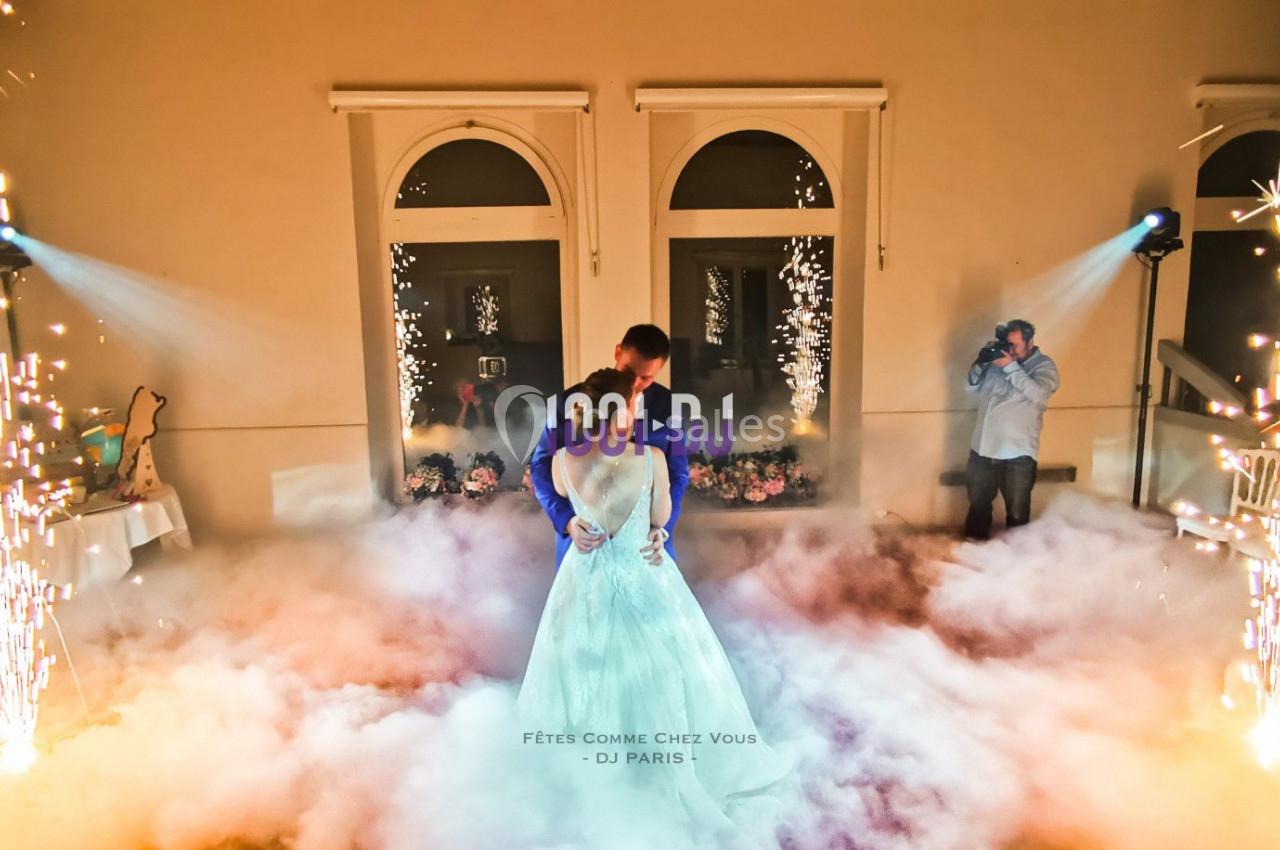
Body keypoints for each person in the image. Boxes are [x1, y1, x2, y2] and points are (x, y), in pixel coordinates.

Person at [516, 367, 791, 839]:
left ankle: (591, 772)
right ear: (623, 409)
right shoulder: (652, 459)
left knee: (580, 670)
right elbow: (659, 514)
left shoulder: (562, 461)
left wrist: (582, 518)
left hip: (585, 580)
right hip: (644, 573)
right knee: (669, 670)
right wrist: (657, 527)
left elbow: (561, 490)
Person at [529, 324, 690, 569]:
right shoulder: (567, 403)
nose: (635, 383)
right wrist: (567, 521)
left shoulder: (670, 407)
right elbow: (540, 465)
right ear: (617, 353)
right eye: (629, 370)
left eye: (646, 378)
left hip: (648, 548)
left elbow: (677, 473)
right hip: (584, 546)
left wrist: (662, 529)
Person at [963, 318, 1060, 539]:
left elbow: (1039, 395)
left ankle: (1018, 564)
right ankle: (974, 555)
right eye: (1007, 345)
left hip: (1017, 453)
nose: (1010, 351)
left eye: (1014, 345)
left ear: (1030, 341)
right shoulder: (997, 362)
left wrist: (1009, 366)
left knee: (1017, 516)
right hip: (982, 448)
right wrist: (981, 361)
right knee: (977, 508)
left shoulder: (1044, 366)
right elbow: (970, 386)